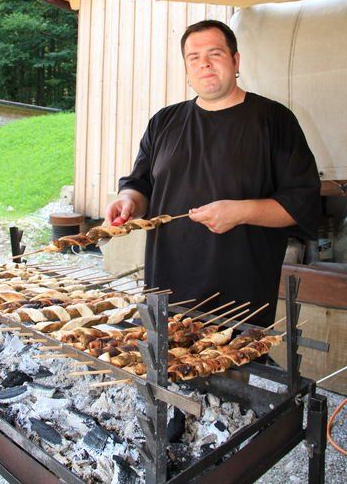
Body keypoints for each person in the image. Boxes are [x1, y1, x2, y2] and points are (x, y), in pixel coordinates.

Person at [105, 20, 320, 326]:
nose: (204, 63)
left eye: (214, 54)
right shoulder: (164, 122)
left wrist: (241, 212)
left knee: (228, 359)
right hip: (165, 289)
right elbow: (139, 185)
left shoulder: (274, 120)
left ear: (235, 61)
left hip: (240, 297)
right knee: (158, 356)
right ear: (186, 68)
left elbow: (302, 202)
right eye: (194, 57)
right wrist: (129, 200)